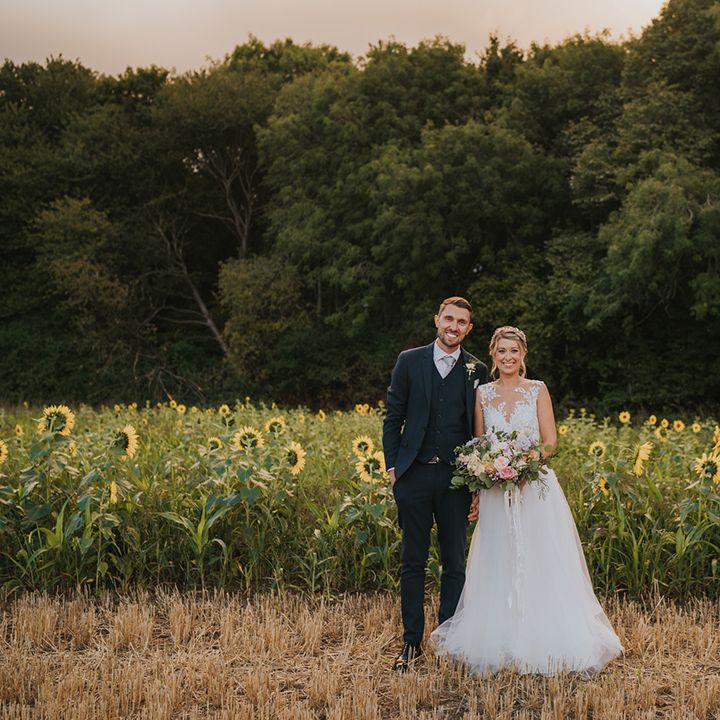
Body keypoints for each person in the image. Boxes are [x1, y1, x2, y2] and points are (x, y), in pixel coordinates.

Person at [430, 326, 623, 675]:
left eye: (514, 351)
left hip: (533, 486)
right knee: (497, 556)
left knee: (541, 555)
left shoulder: (537, 390)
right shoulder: (483, 394)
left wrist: (521, 466)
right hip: (494, 489)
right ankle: (498, 632)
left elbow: (550, 441)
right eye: (501, 351)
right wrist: (490, 472)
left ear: (523, 355)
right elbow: (479, 442)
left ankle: (543, 633)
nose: (508, 357)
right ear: (493, 355)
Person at [382, 297, 489, 672]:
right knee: (412, 561)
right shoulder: (409, 361)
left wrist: (476, 483)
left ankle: (448, 640)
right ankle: (411, 643)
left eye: (462, 322)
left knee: (454, 563)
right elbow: (392, 416)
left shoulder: (478, 369)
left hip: (455, 478)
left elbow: (480, 429)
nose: (454, 326)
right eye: (449, 318)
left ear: (468, 329)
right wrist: (393, 467)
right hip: (412, 476)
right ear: (437, 321)